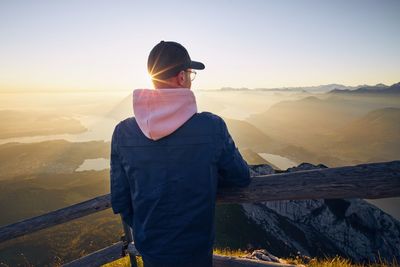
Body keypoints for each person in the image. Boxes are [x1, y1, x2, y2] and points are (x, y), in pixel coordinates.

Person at [110, 40, 251, 267]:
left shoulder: (123, 132)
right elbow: (241, 177)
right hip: (196, 251)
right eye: (190, 73)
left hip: (151, 250)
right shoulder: (212, 127)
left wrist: (147, 231)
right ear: (182, 77)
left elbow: (120, 199)